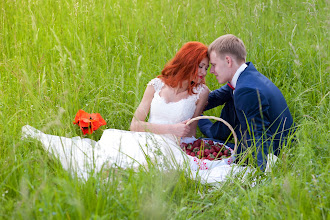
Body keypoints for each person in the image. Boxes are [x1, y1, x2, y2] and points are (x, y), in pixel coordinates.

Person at [22, 41, 218, 181]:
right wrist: (172, 128)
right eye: (200, 66)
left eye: (206, 67)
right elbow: (135, 125)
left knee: (142, 171)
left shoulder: (201, 92)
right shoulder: (156, 85)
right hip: (145, 138)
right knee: (107, 158)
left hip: (172, 148)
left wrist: (199, 148)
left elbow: (191, 131)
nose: (203, 72)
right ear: (187, 62)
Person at [198, 34, 294, 171]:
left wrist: (263, 175)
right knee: (208, 144)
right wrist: (188, 103)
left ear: (228, 61)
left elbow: (259, 135)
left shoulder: (246, 90)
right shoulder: (246, 77)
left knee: (205, 150)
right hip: (272, 140)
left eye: (213, 65)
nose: (211, 71)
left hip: (275, 150)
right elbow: (216, 97)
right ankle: (207, 127)